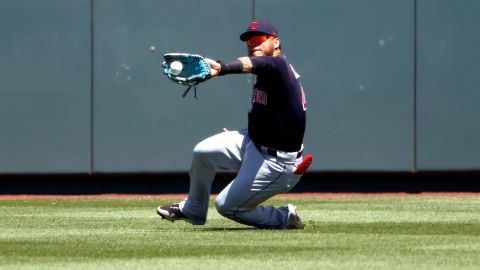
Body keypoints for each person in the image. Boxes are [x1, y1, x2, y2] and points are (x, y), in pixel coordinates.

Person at [157, 20, 309, 229]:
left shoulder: (278, 66)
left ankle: (283, 217)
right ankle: (194, 209)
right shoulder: (269, 74)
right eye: (248, 40)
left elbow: (251, 64)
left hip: (278, 163)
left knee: (226, 205)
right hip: (254, 142)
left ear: (275, 42)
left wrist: (222, 68)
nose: (252, 43)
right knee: (203, 152)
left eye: (258, 38)